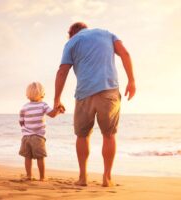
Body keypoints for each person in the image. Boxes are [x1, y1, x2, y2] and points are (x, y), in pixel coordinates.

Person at [54, 22, 136, 187]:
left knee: (82, 136)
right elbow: (125, 53)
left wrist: (57, 99)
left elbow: (62, 71)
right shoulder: (107, 34)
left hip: (85, 94)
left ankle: (83, 177)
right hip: (109, 91)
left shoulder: (72, 42)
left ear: (72, 33)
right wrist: (131, 81)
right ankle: (107, 178)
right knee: (109, 135)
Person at [19, 82, 63, 181]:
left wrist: (27, 130)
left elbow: (21, 122)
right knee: (40, 157)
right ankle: (42, 177)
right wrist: (58, 110)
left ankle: (28, 175)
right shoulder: (43, 105)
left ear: (27, 94)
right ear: (42, 94)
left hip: (26, 137)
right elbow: (52, 114)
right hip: (38, 137)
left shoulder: (24, 107)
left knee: (27, 157)